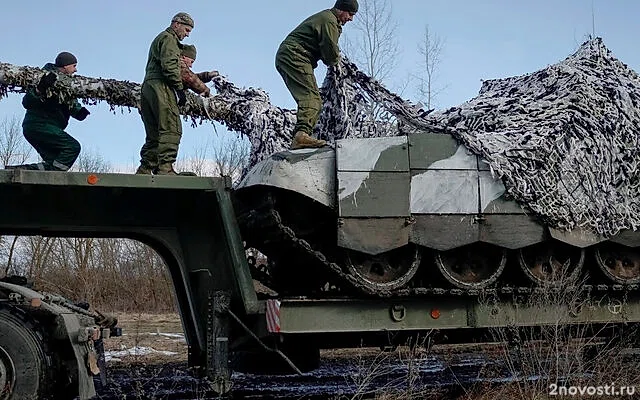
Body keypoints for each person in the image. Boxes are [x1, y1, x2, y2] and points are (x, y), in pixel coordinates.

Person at [275, 0, 358, 150]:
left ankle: (301, 135)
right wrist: (339, 65)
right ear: (342, 10)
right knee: (312, 98)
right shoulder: (329, 21)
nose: (351, 18)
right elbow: (330, 54)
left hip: (289, 55)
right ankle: (301, 136)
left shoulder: (328, 19)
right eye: (350, 14)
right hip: (295, 55)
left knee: (310, 97)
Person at [6, 52, 90, 171]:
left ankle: (23, 170)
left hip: (40, 128)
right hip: (39, 125)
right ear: (65, 66)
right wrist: (41, 89)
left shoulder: (67, 86)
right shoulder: (43, 78)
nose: (75, 70)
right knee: (72, 147)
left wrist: (80, 112)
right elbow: (27, 102)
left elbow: (72, 104)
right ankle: (56, 175)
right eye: (74, 66)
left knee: (53, 161)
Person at [136, 12, 195, 176]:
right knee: (171, 127)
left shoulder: (160, 38)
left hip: (148, 87)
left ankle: (145, 169)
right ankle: (165, 168)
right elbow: (169, 67)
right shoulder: (169, 39)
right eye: (187, 29)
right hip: (161, 87)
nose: (187, 34)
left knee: (154, 133)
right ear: (176, 24)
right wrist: (179, 89)